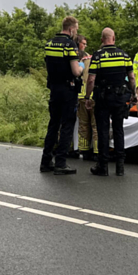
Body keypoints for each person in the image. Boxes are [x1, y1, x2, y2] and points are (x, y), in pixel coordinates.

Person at [41, 16, 90, 174]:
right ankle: (61, 163)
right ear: (71, 29)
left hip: (54, 89)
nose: (76, 33)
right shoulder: (69, 45)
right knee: (67, 125)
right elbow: (75, 71)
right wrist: (82, 66)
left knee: (53, 124)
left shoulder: (49, 44)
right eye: (76, 30)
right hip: (68, 89)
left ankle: (46, 160)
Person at [85, 27, 136, 177]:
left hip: (102, 98)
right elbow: (131, 77)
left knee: (103, 130)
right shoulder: (124, 55)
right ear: (114, 38)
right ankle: (120, 166)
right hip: (120, 98)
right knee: (119, 129)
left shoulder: (98, 56)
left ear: (102, 40)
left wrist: (88, 97)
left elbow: (91, 79)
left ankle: (103, 165)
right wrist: (134, 94)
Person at [74, 35, 98, 160]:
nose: (85, 45)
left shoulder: (76, 58)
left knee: (83, 125)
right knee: (95, 125)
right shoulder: (92, 58)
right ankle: (96, 151)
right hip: (93, 96)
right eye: (83, 43)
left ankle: (84, 150)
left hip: (80, 96)